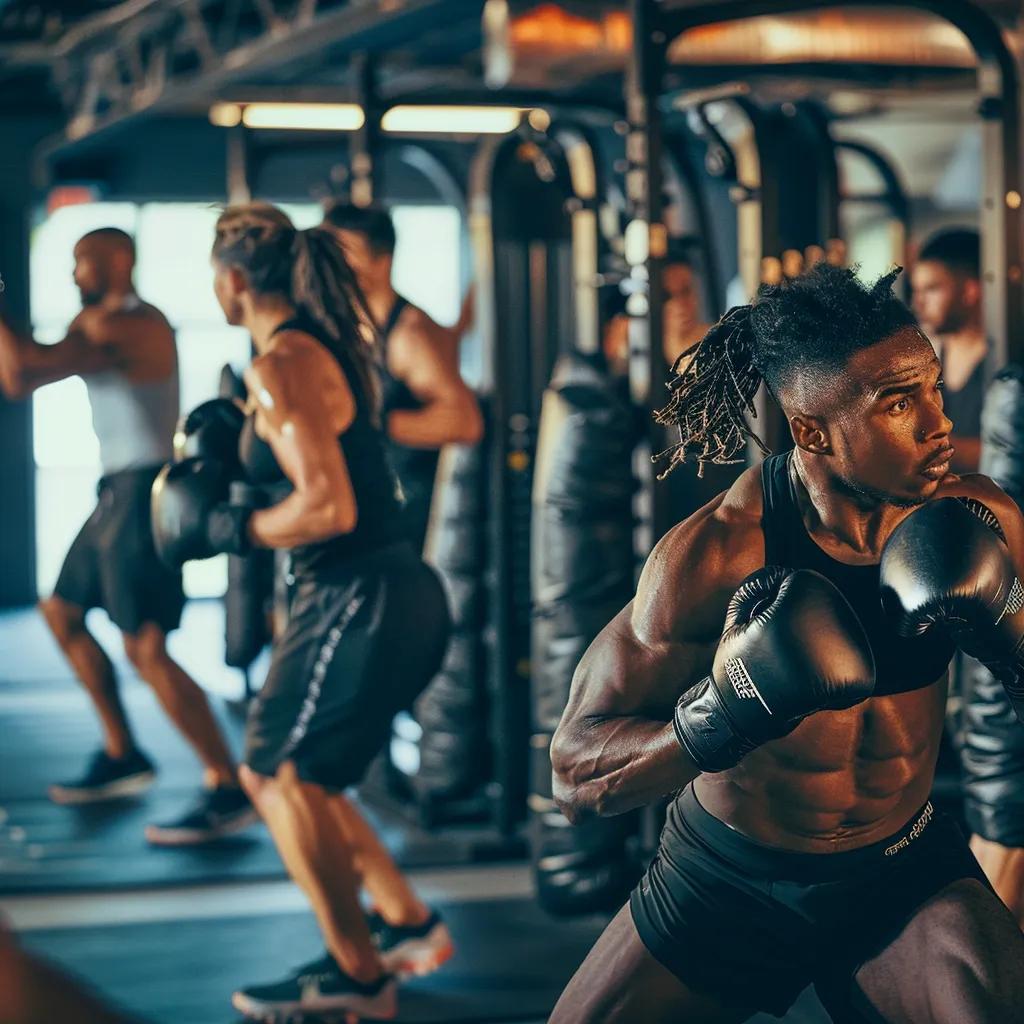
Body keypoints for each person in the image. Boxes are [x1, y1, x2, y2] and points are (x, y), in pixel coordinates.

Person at [548, 262, 1024, 1023]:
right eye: (900, 403)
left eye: (932, 388)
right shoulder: (717, 553)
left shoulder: (978, 522)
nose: (938, 424)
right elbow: (575, 776)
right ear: (812, 431)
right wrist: (719, 720)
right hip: (731, 878)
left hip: (900, 867)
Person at [151, 203, 454, 1020]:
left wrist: (233, 526)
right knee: (289, 774)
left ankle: (359, 975)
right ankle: (402, 922)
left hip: (359, 591)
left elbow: (328, 506)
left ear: (233, 281)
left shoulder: (281, 364)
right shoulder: (315, 349)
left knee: (284, 774)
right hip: (376, 589)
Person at [0, 228, 252, 846]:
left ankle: (227, 783)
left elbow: (23, 374)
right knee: (61, 612)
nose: (73, 273)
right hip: (115, 492)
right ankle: (124, 753)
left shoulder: (136, 326)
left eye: (81, 261)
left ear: (117, 262)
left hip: (144, 494)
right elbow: (24, 367)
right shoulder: (96, 323)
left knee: (146, 648)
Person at [319, 202, 483, 553]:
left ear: (382, 262)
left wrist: (370, 424)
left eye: (345, 257)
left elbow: (465, 422)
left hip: (413, 521)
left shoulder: (410, 336)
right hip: (377, 510)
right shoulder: (354, 328)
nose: (335, 271)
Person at [911, 227, 985, 472]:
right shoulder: (926, 358)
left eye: (931, 289)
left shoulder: (1008, 357)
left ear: (970, 291)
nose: (918, 303)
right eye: (916, 290)